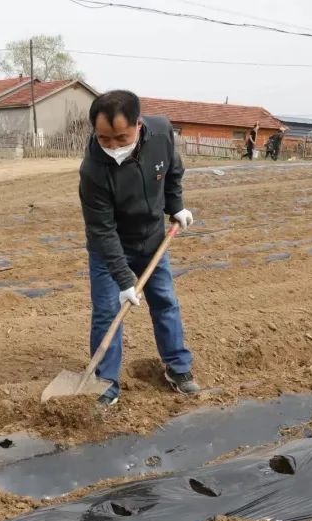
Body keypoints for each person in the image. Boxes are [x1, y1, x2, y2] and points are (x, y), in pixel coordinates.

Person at [79, 90, 201, 406]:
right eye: (104, 139)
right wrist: (124, 280)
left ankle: (178, 368)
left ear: (138, 124)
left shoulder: (161, 132)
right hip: (110, 247)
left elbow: (173, 171)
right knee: (107, 313)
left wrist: (176, 206)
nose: (113, 146)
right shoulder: (93, 170)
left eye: (121, 137)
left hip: (151, 238)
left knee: (165, 301)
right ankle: (106, 384)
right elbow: (102, 230)